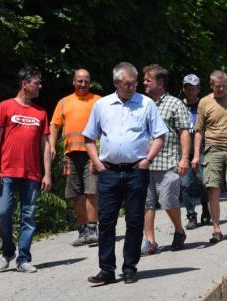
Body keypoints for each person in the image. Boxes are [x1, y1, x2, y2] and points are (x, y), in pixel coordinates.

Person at [82, 62, 168, 284]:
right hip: (109, 171)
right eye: (126, 84)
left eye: (134, 83)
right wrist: (97, 163)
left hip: (135, 171)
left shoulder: (146, 104)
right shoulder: (102, 105)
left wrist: (148, 160)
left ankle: (129, 268)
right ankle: (106, 269)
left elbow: (160, 135)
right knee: (106, 221)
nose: (131, 87)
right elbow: (89, 138)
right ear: (116, 83)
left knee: (135, 220)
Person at [0, 67, 52, 273]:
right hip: (7, 171)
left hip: (31, 173)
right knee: (3, 212)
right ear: (24, 84)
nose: (40, 86)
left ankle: (23, 258)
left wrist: (47, 174)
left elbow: (46, 145)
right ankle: (8, 251)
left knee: (29, 216)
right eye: (36, 82)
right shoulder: (5, 106)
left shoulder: (40, 112)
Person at [140, 64, 191, 255]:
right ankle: (150, 241)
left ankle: (179, 230)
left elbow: (184, 132)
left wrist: (184, 158)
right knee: (147, 203)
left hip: (168, 162)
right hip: (144, 163)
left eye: (148, 80)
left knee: (169, 201)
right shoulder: (142, 104)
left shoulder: (175, 103)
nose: (144, 83)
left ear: (160, 83)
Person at [194, 70, 227, 243]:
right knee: (213, 188)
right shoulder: (204, 102)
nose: (221, 89)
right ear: (211, 85)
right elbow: (199, 131)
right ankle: (216, 229)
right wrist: (196, 155)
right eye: (218, 87)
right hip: (213, 149)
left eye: (224, 86)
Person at [49, 69, 101, 247]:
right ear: (74, 82)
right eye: (80, 81)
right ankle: (83, 231)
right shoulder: (64, 102)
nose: (83, 84)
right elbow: (54, 125)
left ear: (90, 82)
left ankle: (93, 229)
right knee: (75, 194)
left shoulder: (98, 101)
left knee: (91, 191)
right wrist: (52, 145)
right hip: (70, 154)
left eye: (86, 81)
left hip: (92, 154)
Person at [180, 73, 210, 229]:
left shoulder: (204, 105)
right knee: (186, 185)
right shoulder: (178, 105)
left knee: (206, 182)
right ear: (183, 89)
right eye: (187, 88)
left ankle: (206, 208)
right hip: (184, 153)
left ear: (198, 89)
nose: (190, 91)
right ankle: (191, 216)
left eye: (193, 88)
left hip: (203, 150)